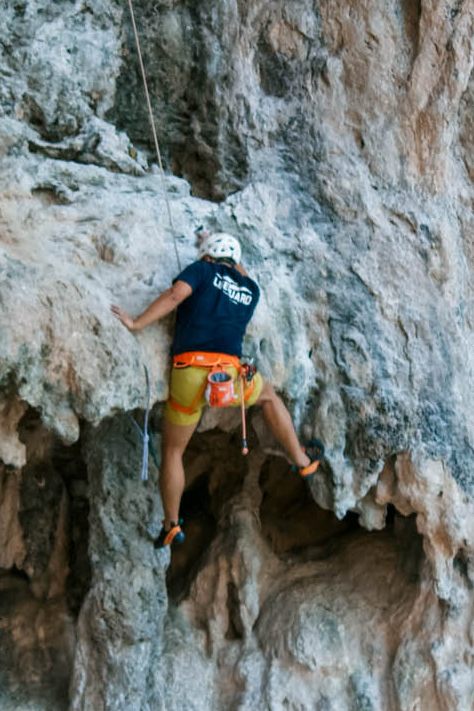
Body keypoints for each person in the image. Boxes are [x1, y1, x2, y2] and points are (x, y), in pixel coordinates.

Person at [112, 231, 320, 548]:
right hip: (230, 379)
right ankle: (302, 461)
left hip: (190, 375)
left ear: (207, 256)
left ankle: (171, 523)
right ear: (235, 263)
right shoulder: (250, 290)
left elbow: (173, 296)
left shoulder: (202, 270)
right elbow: (240, 272)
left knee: (173, 450)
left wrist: (137, 323)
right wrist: (227, 253)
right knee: (267, 397)